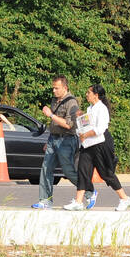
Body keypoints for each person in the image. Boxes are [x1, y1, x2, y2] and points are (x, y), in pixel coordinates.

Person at [66, 83, 130, 212]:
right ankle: (79, 202)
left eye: (88, 93)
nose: (86, 94)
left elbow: (100, 129)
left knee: (106, 173)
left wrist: (85, 134)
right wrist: (81, 118)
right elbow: (88, 124)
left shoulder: (101, 109)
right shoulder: (90, 107)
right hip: (87, 144)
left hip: (101, 144)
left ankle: (124, 198)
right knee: (82, 171)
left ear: (96, 95)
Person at [33, 76, 81, 209]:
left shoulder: (72, 103)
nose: (53, 90)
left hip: (66, 140)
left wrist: (50, 115)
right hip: (53, 138)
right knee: (46, 168)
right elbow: (54, 123)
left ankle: (88, 190)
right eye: (53, 88)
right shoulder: (55, 100)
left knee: (68, 170)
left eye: (56, 88)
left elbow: (68, 125)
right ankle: (45, 200)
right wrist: (48, 140)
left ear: (65, 88)